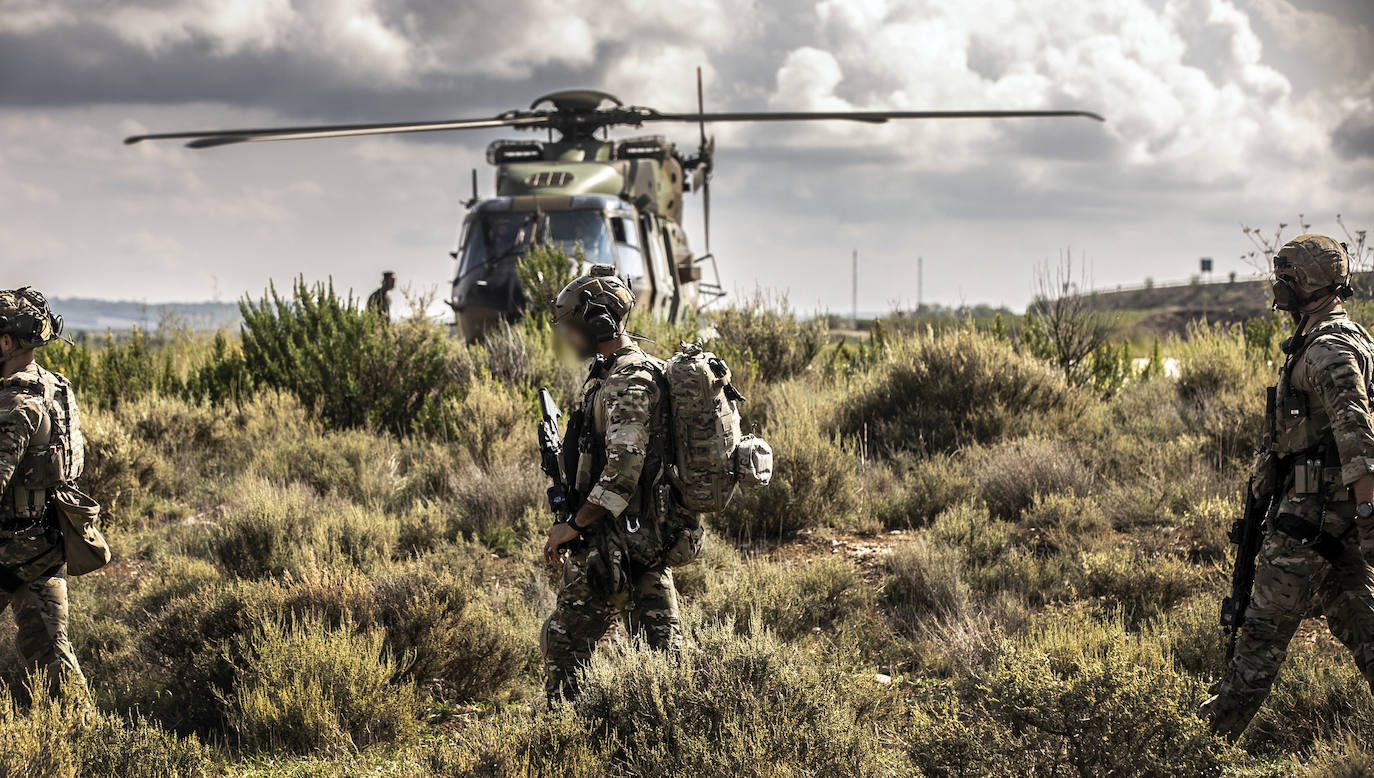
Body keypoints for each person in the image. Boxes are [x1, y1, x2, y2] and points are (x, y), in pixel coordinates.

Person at [1199, 235, 1374, 739]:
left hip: (1310, 519)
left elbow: (1357, 440)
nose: (1279, 285)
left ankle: (1200, 749)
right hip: (1328, 515)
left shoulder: (1328, 350)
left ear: (1311, 283)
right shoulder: (1336, 338)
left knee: (1259, 639)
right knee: (1362, 624)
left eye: (1288, 276)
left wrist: (1367, 518)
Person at [539, 264, 680, 700]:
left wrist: (573, 526)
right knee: (666, 666)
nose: (566, 338)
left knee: (564, 652)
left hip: (613, 546)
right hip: (642, 545)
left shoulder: (627, 382)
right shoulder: (615, 372)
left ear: (596, 322)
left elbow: (621, 476)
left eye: (572, 327)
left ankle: (563, 748)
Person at [0, 287, 87, 695]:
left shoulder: (14, 402)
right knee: (53, 654)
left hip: (8, 547)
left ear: (6, 342)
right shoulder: (54, 387)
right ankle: (85, 740)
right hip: (44, 544)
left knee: (50, 653)